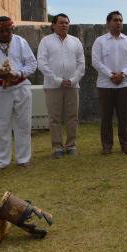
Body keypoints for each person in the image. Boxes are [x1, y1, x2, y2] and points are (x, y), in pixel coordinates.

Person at [0, 16, 37, 169]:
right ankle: (3, 161)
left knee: (23, 124)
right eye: (1, 30)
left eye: (7, 30)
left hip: (21, 86)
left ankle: (23, 159)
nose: (4, 33)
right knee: (2, 125)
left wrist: (18, 73)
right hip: (0, 89)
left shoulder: (21, 42)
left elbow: (32, 63)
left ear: (12, 29)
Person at [37, 13, 85, 158]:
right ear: (53, 25)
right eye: (61, 22)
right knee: (54, 118)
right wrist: (58, 80)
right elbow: (42, 63)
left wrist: (73, 79)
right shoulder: (46, 41)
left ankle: (71, 146)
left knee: (72, 116)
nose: (65, 25)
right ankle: (57, 147)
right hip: (53, 86)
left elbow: (81, 64)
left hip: (72, 85)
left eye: (67, 23)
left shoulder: (75, 41)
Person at [91, 11, 127, 155]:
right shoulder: (100, 41)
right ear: (108, 23)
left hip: (125, 84)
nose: (118, 23)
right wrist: (111, 75)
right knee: (106, 116)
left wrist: (123, 74)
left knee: (123, 117)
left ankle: (126, 145)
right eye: (115, 20)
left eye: (120, 20)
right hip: (105, 84)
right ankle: (107, 145)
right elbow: (96, 61)